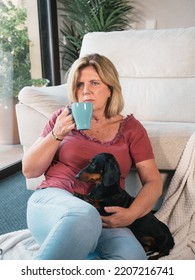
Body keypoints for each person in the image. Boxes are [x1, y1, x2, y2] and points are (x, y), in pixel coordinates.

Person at [23, 53, 163, 260]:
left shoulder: (131, 128)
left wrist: (131, 214)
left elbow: (153, 181)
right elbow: (30, 170)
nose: (86, 91)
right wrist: (57, 134)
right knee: (84, 215)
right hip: (55, 200)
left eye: (94, 83)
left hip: (103, 215)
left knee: (134, 259)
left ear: (110, 89)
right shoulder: (61, 119)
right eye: (79, 85)